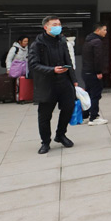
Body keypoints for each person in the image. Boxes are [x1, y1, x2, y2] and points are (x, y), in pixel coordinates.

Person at [29, 16, 79, 154]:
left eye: (59, 24)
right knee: (45, 115)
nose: (58, 26)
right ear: (46, 27)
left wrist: (74, 79)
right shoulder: (37, 44)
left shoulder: (62, 41)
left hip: (64, 82)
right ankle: (45, 142)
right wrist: (52, 70)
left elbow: (68, 59)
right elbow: (33, 64)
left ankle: (60, 134)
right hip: (47, 84)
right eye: (54, 24)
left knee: (68, 108)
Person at [80, 23, 108, 125]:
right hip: (93, 73)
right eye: (104, 30)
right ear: (98, 30)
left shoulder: (88, 40)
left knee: (88, 94)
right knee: (95, 95)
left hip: (86, 72)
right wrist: (99, 72)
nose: (106, 32)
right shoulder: (97, 42)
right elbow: (98, 59)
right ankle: (94, 117)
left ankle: (85, 115)